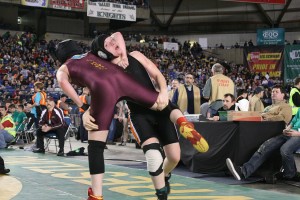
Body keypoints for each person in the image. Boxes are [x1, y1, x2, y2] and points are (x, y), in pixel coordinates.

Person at [55, 37, 208, 200]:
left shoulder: (71, 66)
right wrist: (163, 92)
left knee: (97, 146)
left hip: (130, 101)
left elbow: (66, 81)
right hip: (134, 97)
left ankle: (97, 194)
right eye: (109, 44)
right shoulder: (99, 58)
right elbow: (117, 39)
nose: (113, 45)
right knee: (158, 135)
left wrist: (84, 108)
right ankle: (182, 122)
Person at [226, 106, 299, 182]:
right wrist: (288, 128)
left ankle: (290, 175)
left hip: (298, 135)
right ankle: (243, 172)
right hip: (291, 132)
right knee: (266, 146)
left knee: (285, 150)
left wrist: (297, 133)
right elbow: (294, 120)